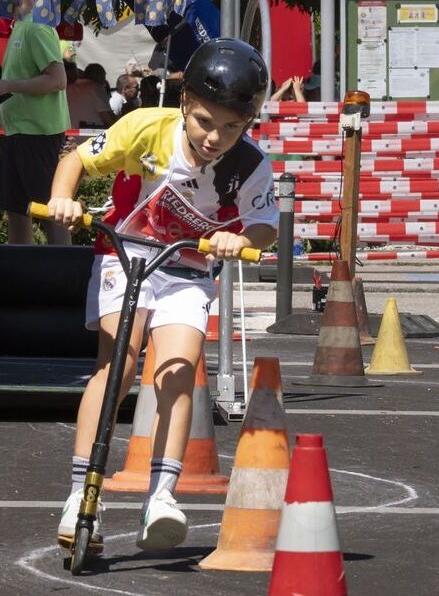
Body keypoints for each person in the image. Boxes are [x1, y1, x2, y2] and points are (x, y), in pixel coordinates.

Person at [48, 37, 277, 552]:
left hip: (188, 266)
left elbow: (265, 223)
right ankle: (81, 493)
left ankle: (162, 496)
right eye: (205, 121)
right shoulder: (146, 128)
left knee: (177, 370)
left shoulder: (248, 165)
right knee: (119, 363)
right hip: (125, 253)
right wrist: (63, 199)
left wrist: (242, 238)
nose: (215, 137)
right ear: (185, 103)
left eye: (231, 127)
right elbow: (76, 161)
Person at [0, 0, 71, 244]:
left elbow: (57, 80)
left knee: (52, 211)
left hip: (38, 133)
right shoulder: (21, 26)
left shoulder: (37, 26)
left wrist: (8, 85)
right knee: (16, 210)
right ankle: (18, 266)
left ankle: (63, 266)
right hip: (18, 131)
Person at [65, 61, 115, 129]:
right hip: (92, 132)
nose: (104, 82)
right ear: (99, 76)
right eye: (104, 77)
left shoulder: (67, 88)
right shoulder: (97, 88)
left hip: (69, 132)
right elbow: (107, 119)